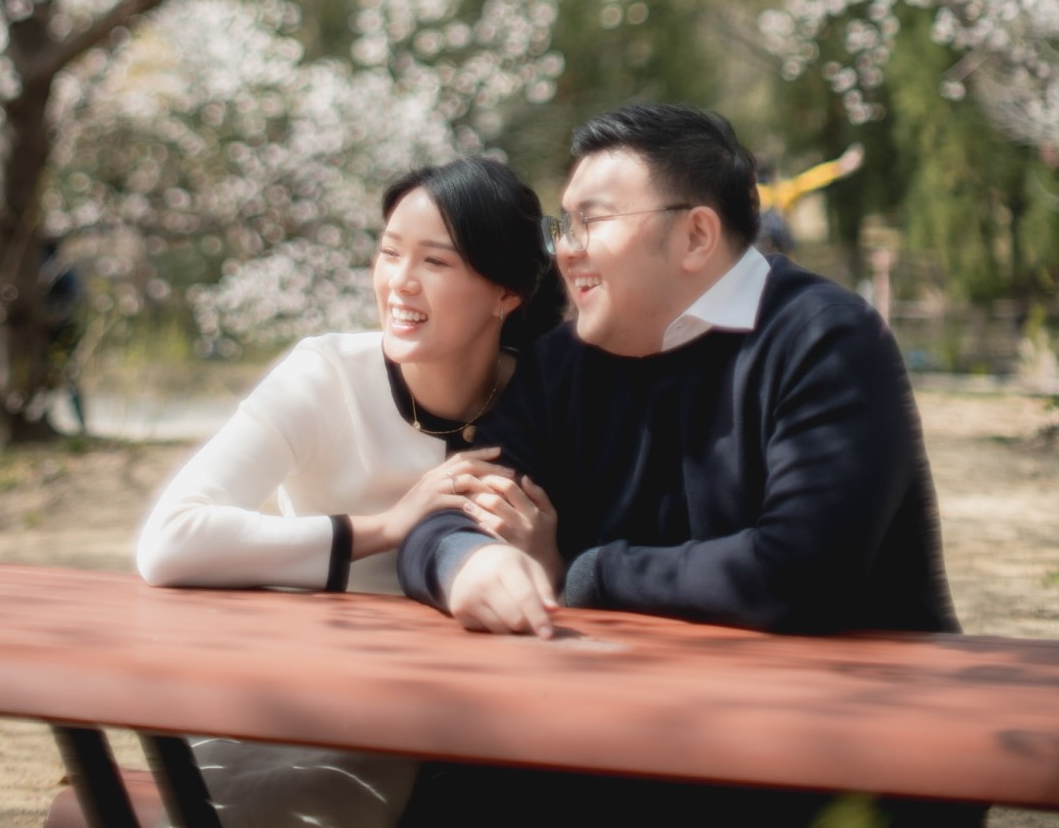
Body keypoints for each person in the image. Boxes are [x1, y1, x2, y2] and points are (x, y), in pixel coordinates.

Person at [398, 102, 968, 828]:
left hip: (835, 743)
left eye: (591, 222)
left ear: (696, 235)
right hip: (629, 724)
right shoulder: (563, 363)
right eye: (562, 225)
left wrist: (585, 572)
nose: (565, 251)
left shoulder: (823, 339)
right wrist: (469, 563)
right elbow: (444, 512)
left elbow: (799, 573)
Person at [135, 156, 564, 828]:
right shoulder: (326, 376)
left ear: (506, 294)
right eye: (390, 253)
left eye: (434, 262)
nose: (399, 281)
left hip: (474, 717)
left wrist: (546, 561)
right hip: (303, 695)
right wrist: (387, 527)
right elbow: (170, 540)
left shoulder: (544, 400)